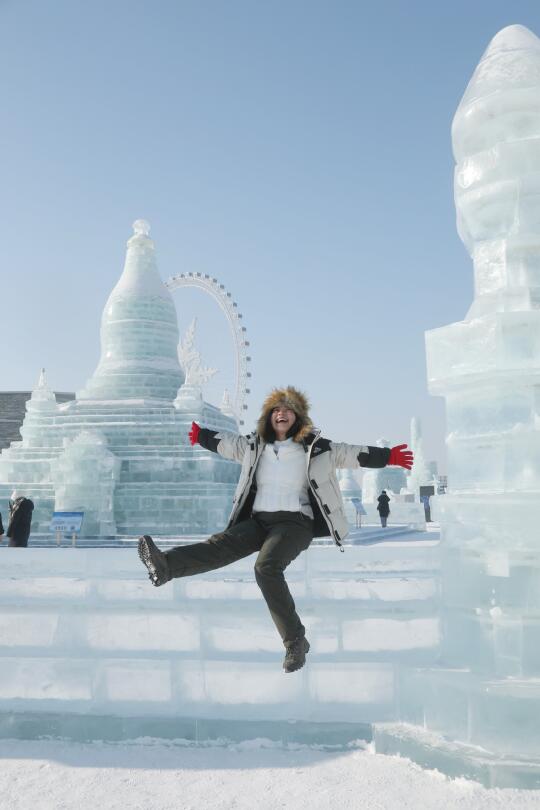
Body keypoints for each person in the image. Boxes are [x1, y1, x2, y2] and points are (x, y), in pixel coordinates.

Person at [138, 387, 413, 673]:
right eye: (276, 410)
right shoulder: (254, 445)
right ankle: (165, 566)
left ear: (298, 417)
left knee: (266, 568)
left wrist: (388, 456)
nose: (281, 414)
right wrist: (201, 435)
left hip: (295, 522)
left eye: (288, 410)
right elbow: (227, 444)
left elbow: (352, 454)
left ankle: (296, 642)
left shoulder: (317, 447)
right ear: (269, 418)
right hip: (259, 520)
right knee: (221, 544)